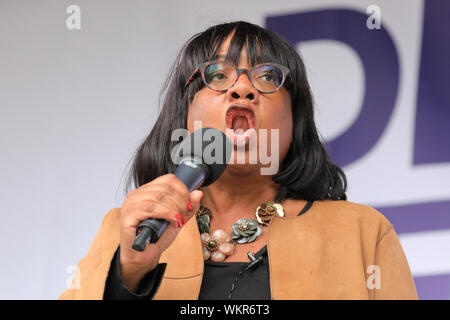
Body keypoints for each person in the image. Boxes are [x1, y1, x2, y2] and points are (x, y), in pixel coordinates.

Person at [59, 21, 418, 300]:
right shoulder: (126, 229)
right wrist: (130, 272)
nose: (242, 88)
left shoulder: (363, 233)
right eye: (217, 75)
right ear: (184, 113)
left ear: (295, 119)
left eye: (267, 77)